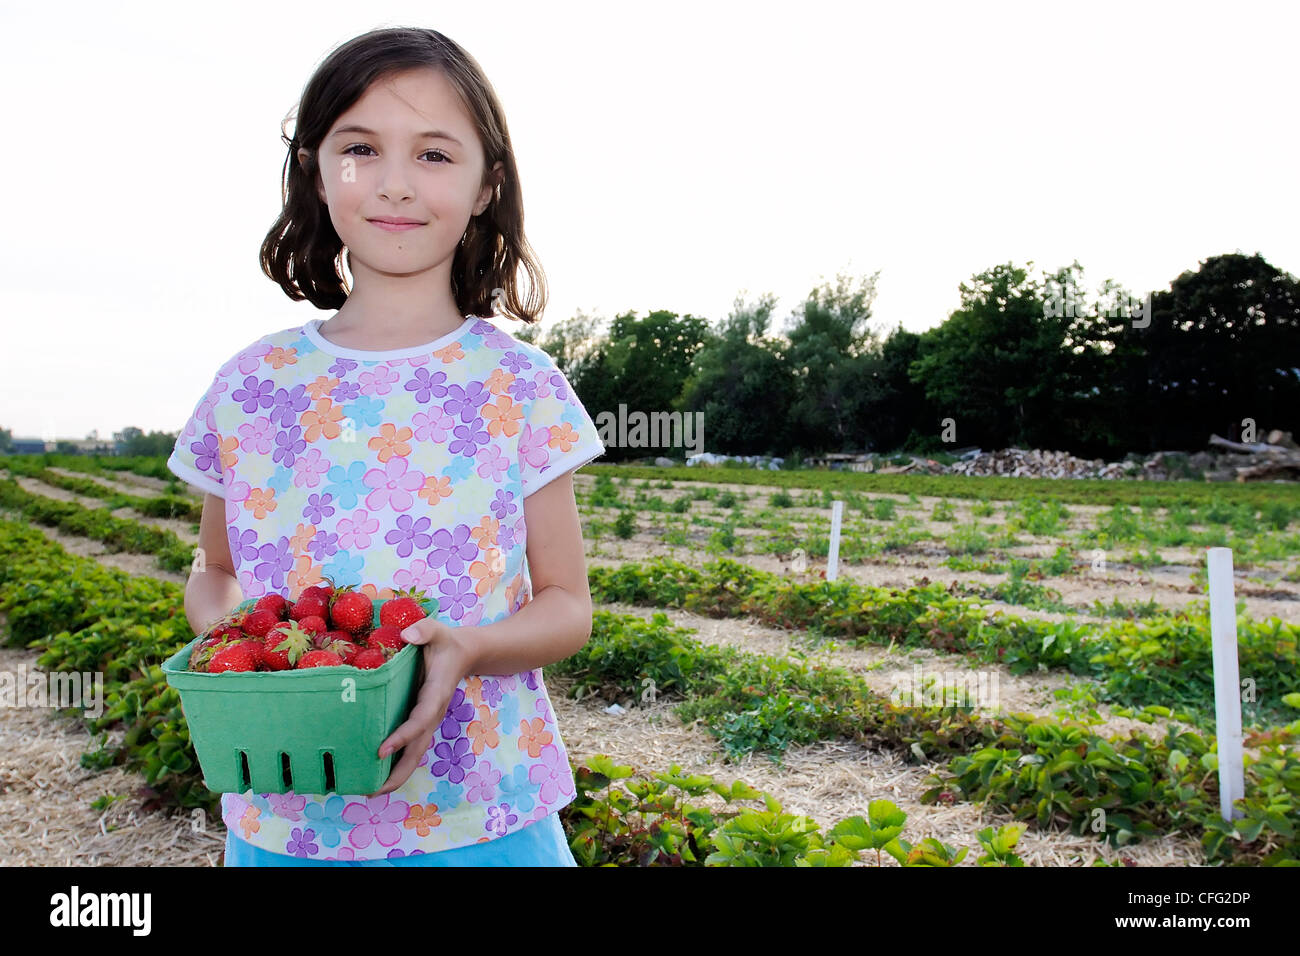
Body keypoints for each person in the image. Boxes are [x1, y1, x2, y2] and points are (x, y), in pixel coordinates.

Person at [167, 27, 605, 866]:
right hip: (289, 821)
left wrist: (470, 644)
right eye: (361, 148)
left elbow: (565, 606)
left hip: (482, 815)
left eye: (436, 154)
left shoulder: (519, 384)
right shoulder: (250, 386)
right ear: (314, 169)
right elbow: (217, 573)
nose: (396, 183)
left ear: (487, 186)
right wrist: (257, 664)